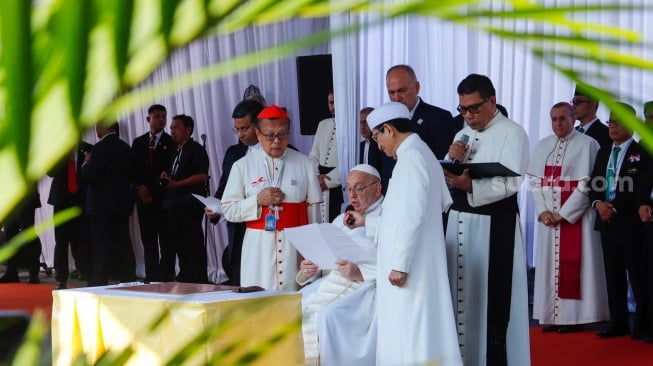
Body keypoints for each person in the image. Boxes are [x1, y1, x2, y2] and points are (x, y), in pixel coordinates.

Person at [348, 102, 461, 365]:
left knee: (412, 334)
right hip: (416, 261)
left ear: (389, 129)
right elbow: (399, 218)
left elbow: (411, 217)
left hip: (412, 266)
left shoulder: (412, 158)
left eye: (377, 137)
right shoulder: (418, 153)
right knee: (413, 333)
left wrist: (400, 264)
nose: (378, 146)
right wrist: (368, 223)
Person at [444, 74, 530, 365]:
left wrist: (471, 187)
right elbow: (448, 177)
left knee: (492, 301)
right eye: (463, 109)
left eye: (474, 108)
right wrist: (450, 159)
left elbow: (513, 182)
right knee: (461, 296)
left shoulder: (512, 133)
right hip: (460, 222)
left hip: (494, 225)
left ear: (491, 101)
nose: (468, 116)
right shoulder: (461, 134)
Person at [221, 104, 322, 291]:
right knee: (258, 301)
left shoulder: (304, 163)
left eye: (282, 135)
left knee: (292, 299)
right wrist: (257, 201)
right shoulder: (242, 166)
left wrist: (312, 251)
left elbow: (314, 214)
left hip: (294, 245)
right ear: (258, 134)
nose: (276, 141)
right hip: (258, 247)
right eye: (269, 136)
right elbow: (228, 209)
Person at [528, 102, 609, 333]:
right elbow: (536, 182)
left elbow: (588, 184)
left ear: (573, 119)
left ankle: (574, 318)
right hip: (549, 221)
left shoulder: (588, 145)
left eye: (562, 118)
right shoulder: (543, 146)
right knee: (549, 268)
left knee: (578, 266)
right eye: (553, 119)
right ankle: (552, 317)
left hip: (576, 220)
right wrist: (543, 211)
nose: (558, 123)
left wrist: (563, 214)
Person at [296, 164, 383, 366]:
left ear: (377, 188)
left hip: (367, 289)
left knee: (328, 316)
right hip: (331, 282)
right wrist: (307, 271)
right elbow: (325, 263)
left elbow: (396, 264)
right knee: (295, 305)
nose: (352, 195)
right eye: (349, 188)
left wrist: (360, 273)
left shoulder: (388, 219)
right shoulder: (339, 220)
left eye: (359, 188)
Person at [589, 102, 649, 338]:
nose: (613, 127)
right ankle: (618, 322)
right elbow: (594, 182)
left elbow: (638, 188)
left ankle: (644, 324)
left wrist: (613, 207)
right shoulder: (604, 151)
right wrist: (598, 204)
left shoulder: (641, 152)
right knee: (612, 275)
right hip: (606, 222)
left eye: (618, 122)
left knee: (636, 275)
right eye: (610, 122)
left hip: (630, 223)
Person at [206, 99, 263, 286]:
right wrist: (214, 206)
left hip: (264, 224)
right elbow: (224, 188)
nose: (240, 134)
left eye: (244, 128)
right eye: (236, 129)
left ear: (259, 125)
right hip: (237, 227)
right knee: (239, 274)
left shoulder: (277, 152)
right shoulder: (233, 153)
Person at [82, 122, 135, 286]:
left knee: (102, 247)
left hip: (101, 207)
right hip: (122, 205)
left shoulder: (99, 148)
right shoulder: (125, 147)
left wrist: (85, 164)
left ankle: (100, 283)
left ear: (103, 129)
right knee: (124, 244)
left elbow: (90, 176)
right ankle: (128, 280)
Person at [161, 114, 209, 283]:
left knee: (192, 245)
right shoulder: (175, 151)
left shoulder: (196, 149)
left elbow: (202, 175)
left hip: (190, 205)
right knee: (179, 246)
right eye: (171, 128)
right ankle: (185, 277)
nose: (172, 131)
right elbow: (174, 174)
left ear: (187, 130)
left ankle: (198, 280)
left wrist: (177, 184)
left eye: (176, 127)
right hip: (174, 206)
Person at [131, 104, 176, 282]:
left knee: (166, 241)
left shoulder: (171, 142)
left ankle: (165, 277)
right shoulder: (138, 142)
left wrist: (150, 189)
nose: (161, 120)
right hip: (143, 201)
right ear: (148, 119)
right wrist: (141, 190)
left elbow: (170, 170)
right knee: (148, 241)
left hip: (163, 199)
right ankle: (151, 277)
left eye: (164, 116)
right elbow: (132, 170)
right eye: (157, 116)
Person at [47, 141, 93, 289]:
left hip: (80, 200)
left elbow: (91, 173)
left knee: (82, 240)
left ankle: (86, 273)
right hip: (61, 201)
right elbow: (50, 172)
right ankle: (61, 279)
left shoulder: (87, 148)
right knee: (61, 242)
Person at [309, 91, 343, 223]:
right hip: (320, 186)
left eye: (336, 102)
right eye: (331, 102)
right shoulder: (322, 124)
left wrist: (327, 181)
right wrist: (316, 177)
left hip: (338, 185)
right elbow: (313, 156)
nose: (333, 106)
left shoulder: (353, 126)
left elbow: (352, 161)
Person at [0, 189, 42, 284]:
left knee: (28, 234)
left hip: (24, 197)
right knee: (10, 235)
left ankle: (33, 272)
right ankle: (11, 272)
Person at [358, 107, 382, 174]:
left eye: (366, 122)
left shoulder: (382, 145)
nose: (362, 127)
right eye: (360, 123)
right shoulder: (360, 146)